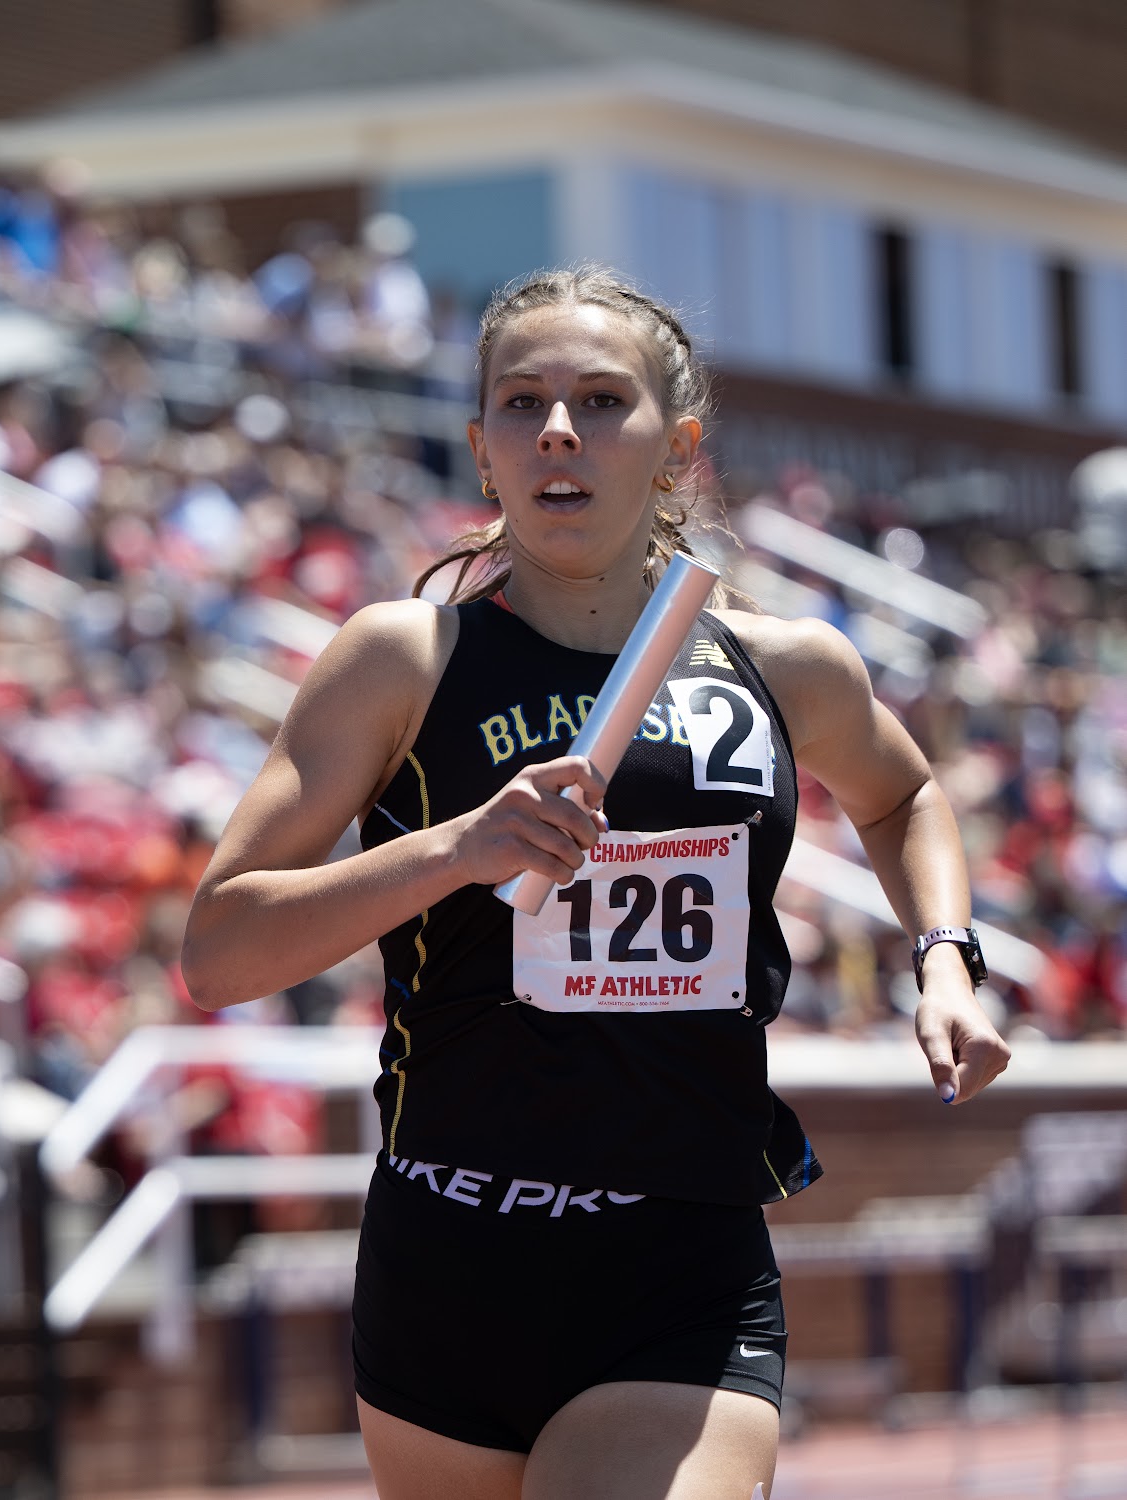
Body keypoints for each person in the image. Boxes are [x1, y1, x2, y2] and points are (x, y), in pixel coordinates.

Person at [180, 266, 1011, 1500]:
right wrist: (457, 848)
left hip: (681, 1262)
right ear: (480, 448)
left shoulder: (786, 667)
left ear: (676, 447)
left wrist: (944, 957)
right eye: (521, 402)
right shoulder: (402, 657)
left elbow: (902, 796)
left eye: (600, 401)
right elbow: (217, 953)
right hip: (449, 1259)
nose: (557, 430)